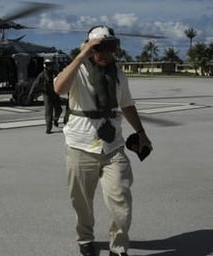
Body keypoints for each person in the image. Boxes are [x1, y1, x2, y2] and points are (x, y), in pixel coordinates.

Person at [54, 25, 152, 256]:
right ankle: (85, 239)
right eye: (99, 49)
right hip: (80, 145)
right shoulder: (77, 71)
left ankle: (118, 248)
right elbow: (59, 88)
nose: (104, 54)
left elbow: (127, 104)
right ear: (89, 48)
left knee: (121, 200)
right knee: (82, 202)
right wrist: (81, 55)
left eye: (109, 48)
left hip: (113, 146)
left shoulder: (118, 75)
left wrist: (141, 132)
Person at [34, 58, 62, 134]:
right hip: (47, 95)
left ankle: (55, 119)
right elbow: (35, 84)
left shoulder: (55, 73)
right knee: (49, 111)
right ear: (45, 65)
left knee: (59, 109)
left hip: (55, 93)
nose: (50, 66)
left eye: (51, 64)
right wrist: (30, 95)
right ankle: (48, 128)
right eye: (48, 65)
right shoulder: (42, 75)